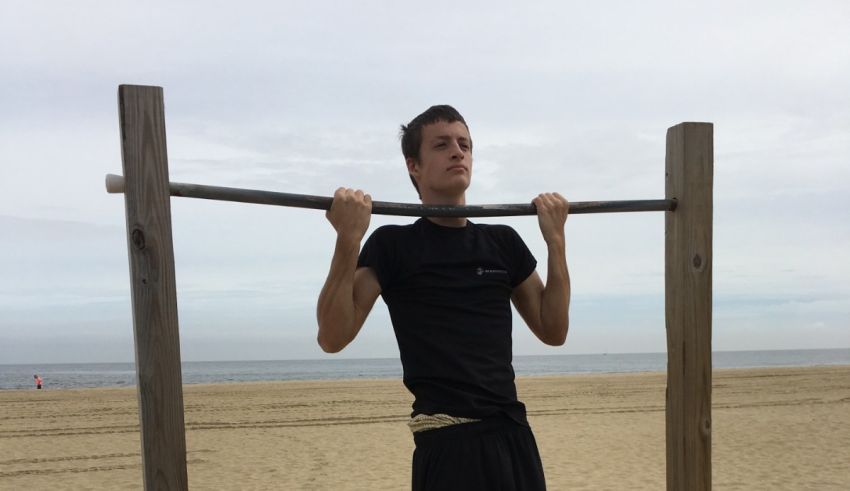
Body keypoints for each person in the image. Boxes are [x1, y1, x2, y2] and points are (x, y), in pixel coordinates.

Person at [317, 105, 570, 490]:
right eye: (442, 144)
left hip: (513, 436)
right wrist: (347, 240)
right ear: (413, 166)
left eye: (464, 144)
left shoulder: (502, 242)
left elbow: (553, 329)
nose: (458, 151)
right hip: (447, 445)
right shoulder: (392, 245)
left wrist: (556, 242)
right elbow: (333, 336)